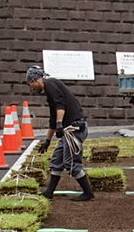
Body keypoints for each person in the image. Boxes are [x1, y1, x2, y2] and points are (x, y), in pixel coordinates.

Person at [26, 66, 95, 200]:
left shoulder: (50, 84)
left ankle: (88, 193)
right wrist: (47, 140)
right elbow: (53, 116)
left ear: (35, 80)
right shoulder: (50, 89)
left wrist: (59, 124)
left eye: (31, 84)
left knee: (71, 163)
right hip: (68, 130)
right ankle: (49, 192)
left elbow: (60, 105)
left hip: (74, 129)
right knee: (57, 159)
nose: (32, 88)